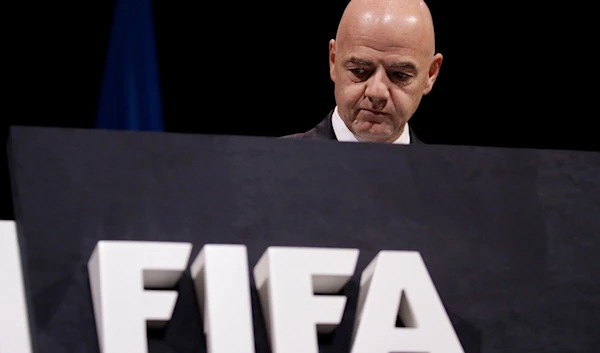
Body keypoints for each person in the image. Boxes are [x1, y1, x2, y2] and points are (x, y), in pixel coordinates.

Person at [283, 0, 443, 144]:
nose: (376, 92)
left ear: (430, 74)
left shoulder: (448, 176)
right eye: (359, 71)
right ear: (333, 60)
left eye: (400, 75)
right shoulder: (269, 167)